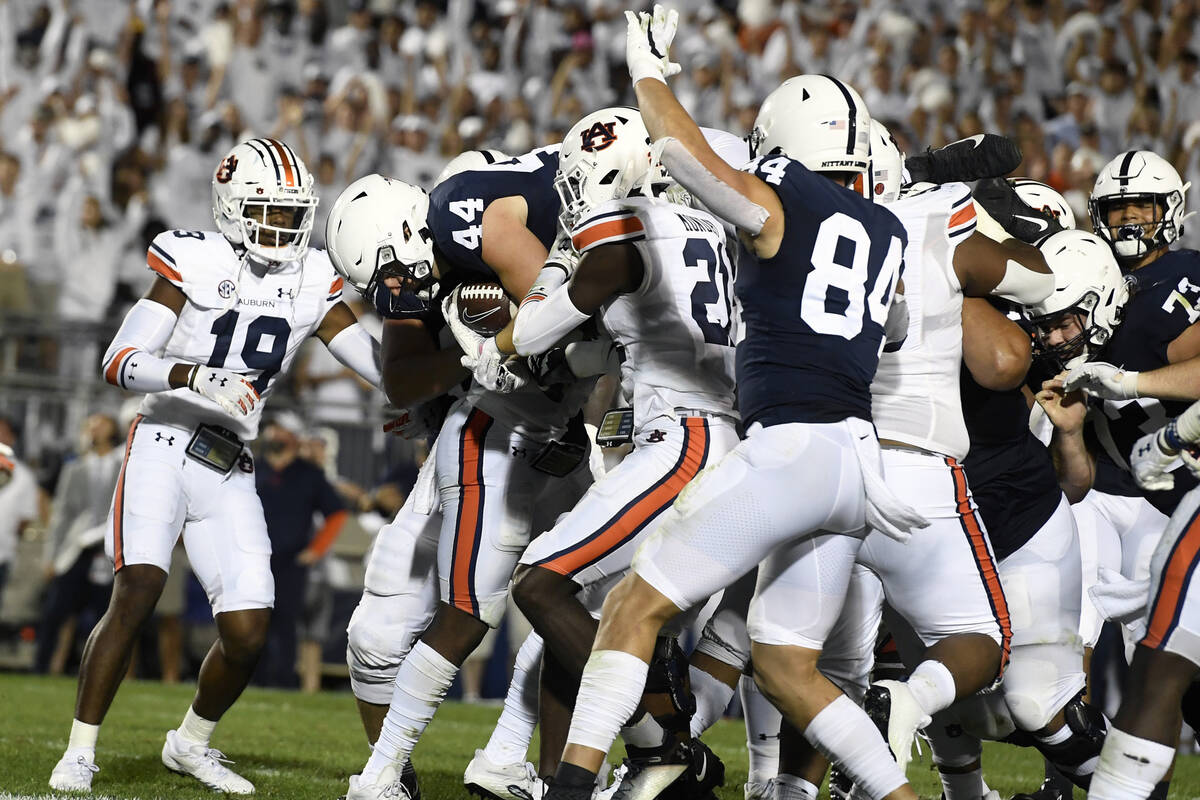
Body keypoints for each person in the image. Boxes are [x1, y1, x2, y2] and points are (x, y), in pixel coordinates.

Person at [544, 8, 926, 799]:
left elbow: (685, 155)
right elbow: (892, 331)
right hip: (859, 465)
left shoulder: (784, 196)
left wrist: (647, 73)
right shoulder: (886, 227)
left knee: (629, 607)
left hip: (789, 451)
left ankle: (577, 789)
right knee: (790, 667)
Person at [47, 138, 382, 794]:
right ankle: (80, 750)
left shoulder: (311, 278)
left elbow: (372, 362)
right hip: (164, 439)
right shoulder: (195, 260)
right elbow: (119, 358)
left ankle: (190, 743)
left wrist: (442, 374)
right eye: (269, 211)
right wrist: (193, 376)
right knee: (139, 585)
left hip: (230, 461)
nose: (284, 227)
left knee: (249, 630)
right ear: (232, 207)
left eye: (293, 213)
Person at [325, 148, 604, 800]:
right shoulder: (409, 263)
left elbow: (579, 321)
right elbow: (401, 376)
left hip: (563, 434)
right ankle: (388, 774)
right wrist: (472, 364)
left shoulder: (477, 218)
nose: (394, 294)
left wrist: (515, 345)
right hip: (483, 436)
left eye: (394, 276)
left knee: (582, 608)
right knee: (392, 627)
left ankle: (524, 762)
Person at [253, 413, 349, 688]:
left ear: (293, 437)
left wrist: (316, 550)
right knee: (254, 620)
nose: (273, 433)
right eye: (272, 428)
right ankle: (251, 679)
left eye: (281, 429)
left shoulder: (309, 474)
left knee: (285, 623)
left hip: (290, 560)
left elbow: (337, 513)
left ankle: (283, 681)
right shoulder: (254, 467)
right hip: (255, 557)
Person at [36, 414, 123, 675]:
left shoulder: (123, 466)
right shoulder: (75, 467)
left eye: (100, 423)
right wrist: (51, 556)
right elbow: (62, 513)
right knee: (55, 613)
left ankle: (103, 673)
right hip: (76, 550)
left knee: (107, 617)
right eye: (89, 424)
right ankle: (41, 667)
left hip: (107, 550)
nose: (94, 428)